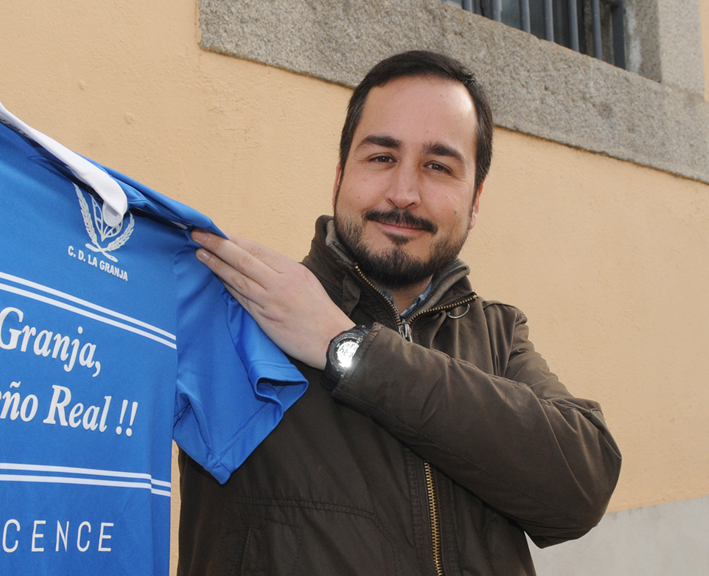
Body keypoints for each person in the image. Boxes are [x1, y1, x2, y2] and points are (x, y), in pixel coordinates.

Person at [177, 50, 621, 575]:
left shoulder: (499, 334)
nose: (404, 193)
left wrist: (348, 349)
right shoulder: (231, 317)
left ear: (475, 200)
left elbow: (580, 489)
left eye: (438, 166)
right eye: (381, 157)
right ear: (341, 174)